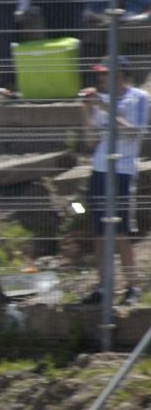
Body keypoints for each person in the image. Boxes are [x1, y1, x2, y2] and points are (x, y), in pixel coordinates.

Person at [78, 63, 149, 307]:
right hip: (99, 169)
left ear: (120, 74)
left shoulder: (138, 98)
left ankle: (132, 287)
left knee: (120, 233)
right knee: (99, 233)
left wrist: (104, 107)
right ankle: (103, 288)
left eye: (105, 73)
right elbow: (90, 143)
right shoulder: (101, 100)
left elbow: (134, 133)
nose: (100, 78)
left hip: (122, 170)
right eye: (98, 74)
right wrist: (87, 112)